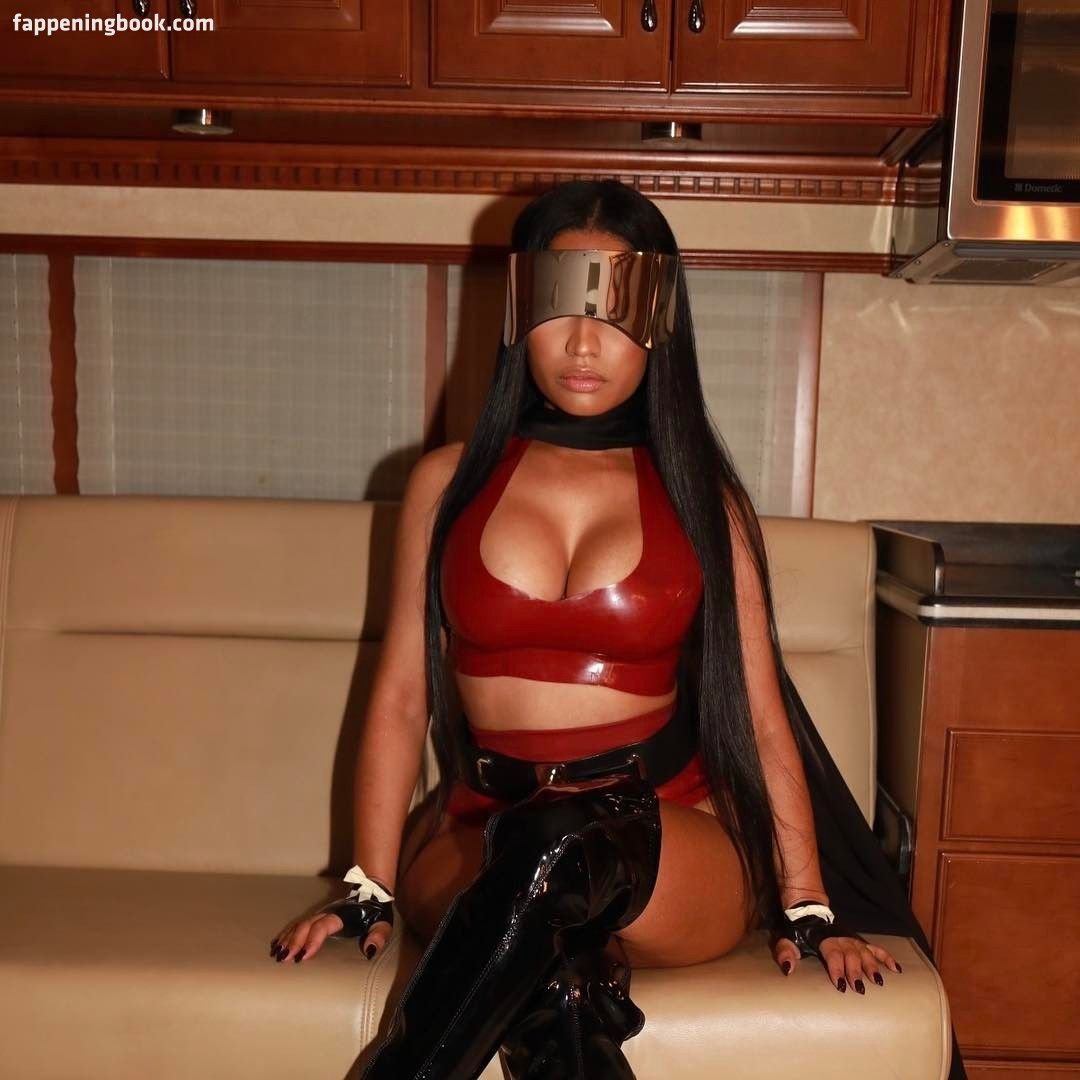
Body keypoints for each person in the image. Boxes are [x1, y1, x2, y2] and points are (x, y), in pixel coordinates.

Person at [269, 179, 968, 1080]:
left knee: (557, 845)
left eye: (616, 311)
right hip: (479, 828)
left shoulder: (703, 499)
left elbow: (762, 718)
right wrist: (367, 886)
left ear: (660, 324)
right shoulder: (447, 481)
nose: (585, 342)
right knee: (560, 981)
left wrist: (807, 905)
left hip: (672, 840)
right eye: (562, 305)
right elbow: (403, 697)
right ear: (519, 311)